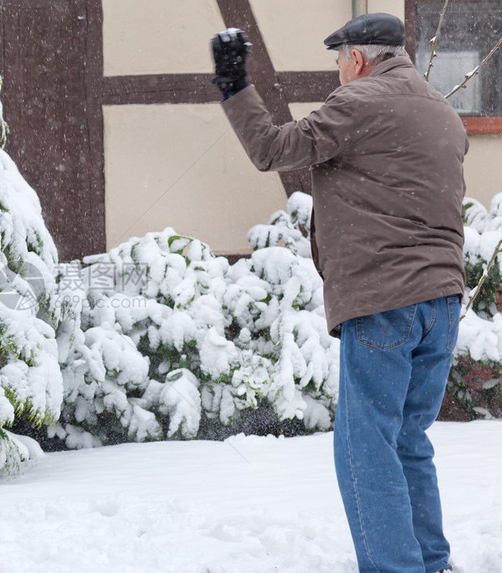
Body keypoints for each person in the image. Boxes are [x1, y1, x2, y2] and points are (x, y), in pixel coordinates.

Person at [211, 13, 466, 573]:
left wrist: (235, 84)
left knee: (366, 448)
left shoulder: (362, 102)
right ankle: (431, 562)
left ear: (357, 58)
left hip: (385, 301)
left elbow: (271, 149)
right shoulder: (442, 113)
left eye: (339, 64)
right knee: (407, 439)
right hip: (442, 303)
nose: (339, 76)